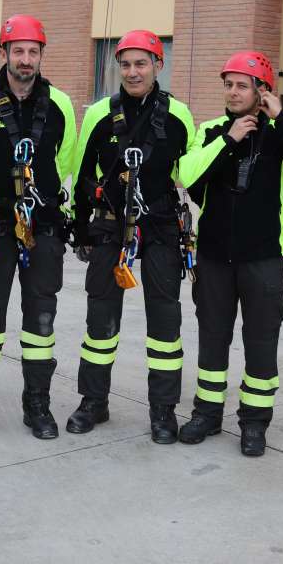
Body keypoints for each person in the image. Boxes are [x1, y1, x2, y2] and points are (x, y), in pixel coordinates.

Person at [178, 51, 283, 456]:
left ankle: (254, 424)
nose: (232, 92)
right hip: (213, 257)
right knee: (212, 338)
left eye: (242, 85)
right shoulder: (210, 130)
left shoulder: (281, 132)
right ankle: (206, 414)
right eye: (228, 84)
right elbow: (187, 174)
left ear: (262, 90)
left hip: (263, 257)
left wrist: (282, 118)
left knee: (261, 342)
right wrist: (230, 139)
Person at [68, 30, 195, 442]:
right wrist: (82, 228)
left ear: (158, 65)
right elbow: (84, 173)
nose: (133, 72)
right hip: (109, 225)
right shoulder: (99, 114)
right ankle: (93, 401)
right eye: (125, 64)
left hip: (158, 225)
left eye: (141, 63)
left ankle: (162, 410)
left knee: (164, 321)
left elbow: (190, 175)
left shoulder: (179, 115)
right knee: (99, 320)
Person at [0, 14, 77, 440]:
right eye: (18, 51)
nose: (26, 59)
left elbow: (65, 164)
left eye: (33, 51)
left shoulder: (60, 104)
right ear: (3, 54)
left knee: (41, 321)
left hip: (42, 228)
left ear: (42, 55)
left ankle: (37, 405)